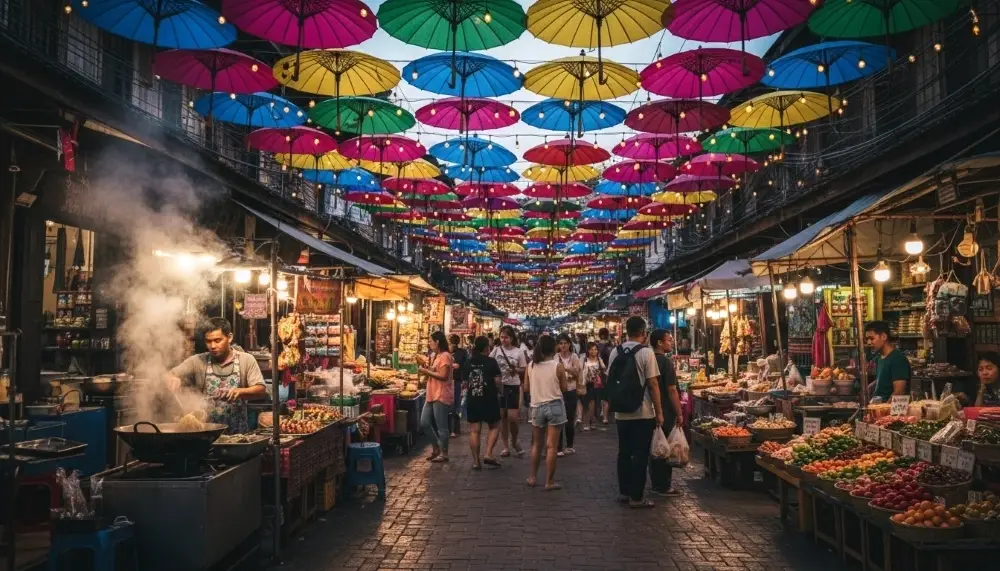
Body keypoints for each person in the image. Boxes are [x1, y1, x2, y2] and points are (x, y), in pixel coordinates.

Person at [165, 317, 267, 434]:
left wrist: (239, 392)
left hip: (237, 435)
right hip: (206, 434)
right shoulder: (198, 360)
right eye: (208, 341)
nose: (212, 346)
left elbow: (261, 389)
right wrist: (172, 378)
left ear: (229, 337)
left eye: (218, 340)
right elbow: (168, 374)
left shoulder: (246, 360)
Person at [606, 316, 663, 509]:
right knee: (640, 454)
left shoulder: (616, 351)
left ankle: (624, 492)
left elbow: (610, 380)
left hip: (621, 412)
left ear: (626, 331)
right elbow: (654, 384)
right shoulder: (646, 353)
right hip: (643, 411)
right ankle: (637, 497)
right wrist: (660, 412)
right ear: (643, 332)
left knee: (624, 451)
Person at [525, 335, 567, 490]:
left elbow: (526, 388)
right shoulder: (558, 366)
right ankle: (549, 482)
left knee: (536, 444)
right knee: (551, 446)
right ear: (553, 348)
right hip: (555, 405)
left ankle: (532, 477)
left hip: (536, 406)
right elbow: (564, 388)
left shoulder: (531, 365)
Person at [649, 329, 684, 497]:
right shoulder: (665, 362)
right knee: (665, 447)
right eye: (669, 340)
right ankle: (663, 486)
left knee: (655, 446)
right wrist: (679, 413)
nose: (672, 343)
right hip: (665, 410)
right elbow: (672, 390)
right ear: (659, 343)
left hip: (650, 409)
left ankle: (656, 483)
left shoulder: (648, 359)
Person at [462, 336, 503, 469]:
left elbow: (464, 382)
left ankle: (476, 462)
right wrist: (500, 390)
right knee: (495, 425)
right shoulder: (491, 362)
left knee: (474, 431)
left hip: (473, 398)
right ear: (486, 347)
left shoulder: (468, 362)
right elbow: (497, 381)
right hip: (489, 397)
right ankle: (488, 453)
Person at [417, 331, 454, 463]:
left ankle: (444, 453)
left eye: (431, 340)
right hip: (431, 394)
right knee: (424, 423)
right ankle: (436, 447)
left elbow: (443, 376)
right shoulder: (434, 355)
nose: (429, 343)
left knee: (441, 426)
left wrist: (426, 371)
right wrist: (426, 368)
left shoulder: (445, 356)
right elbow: (434, 372)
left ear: (437, 342)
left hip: (441, 394)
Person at [491, 326, 527, 458]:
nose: (503, 340)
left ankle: (514, 439)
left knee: (512, 417)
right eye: (501, 337)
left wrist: (516, 370)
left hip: (513, 386)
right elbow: (489, 363)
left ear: (511, 338)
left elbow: (524, 369)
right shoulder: (496, 350)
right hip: (500, 386)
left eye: (506, 337)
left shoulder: (518, 352)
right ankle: (506, 446)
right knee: (502, 417)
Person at [864, 321, 911, 402]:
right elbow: (886, 379)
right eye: (867, 339)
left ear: (883, 336)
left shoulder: (897, 359)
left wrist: (884, 409)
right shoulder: (879, 357)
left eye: (872, 338)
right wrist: (873, 385)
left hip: (888, 411)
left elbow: (899, 392)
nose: (868, 342)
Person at [555, 333, 582, 456]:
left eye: (565, 343)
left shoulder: (574, 357)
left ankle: (569, 445)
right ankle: (559, 447)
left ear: (569, 344)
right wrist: (569, 369)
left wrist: (564, 369)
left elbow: (577, 372)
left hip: (571, 390)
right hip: (558, 390)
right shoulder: (555, 357)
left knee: (569, 418)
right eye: (561, 343)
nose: (563, 345)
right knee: (559, 418)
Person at [580, 342, 606, 431]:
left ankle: (593, 422)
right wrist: (582, 384)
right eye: (591, 349)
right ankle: (587, 423)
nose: (593, 351)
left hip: (598, 384)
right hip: (588, 384)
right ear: (588, 350)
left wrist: (601, 370)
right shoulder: (585, 360)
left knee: (596, 404)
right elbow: (582, 372)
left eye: (595, 349)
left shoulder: (599, 359)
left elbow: (604, 369)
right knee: (589, 403)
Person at [448, 334, 469, 437]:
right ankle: (453, 429)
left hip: (455, 381)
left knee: (454, 405)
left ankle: (453, 429)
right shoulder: (446, 353)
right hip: (452, 381)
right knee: (454, 405)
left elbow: (466, 366)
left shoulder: (462, 353)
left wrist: (459, 367)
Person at [596, 327, 614, 424]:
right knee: (606, 392)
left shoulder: (598, 345)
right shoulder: (611, 345)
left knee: (600, 392)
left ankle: (602, 410)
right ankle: (604, 411)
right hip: (608, 371)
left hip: (598, 371)